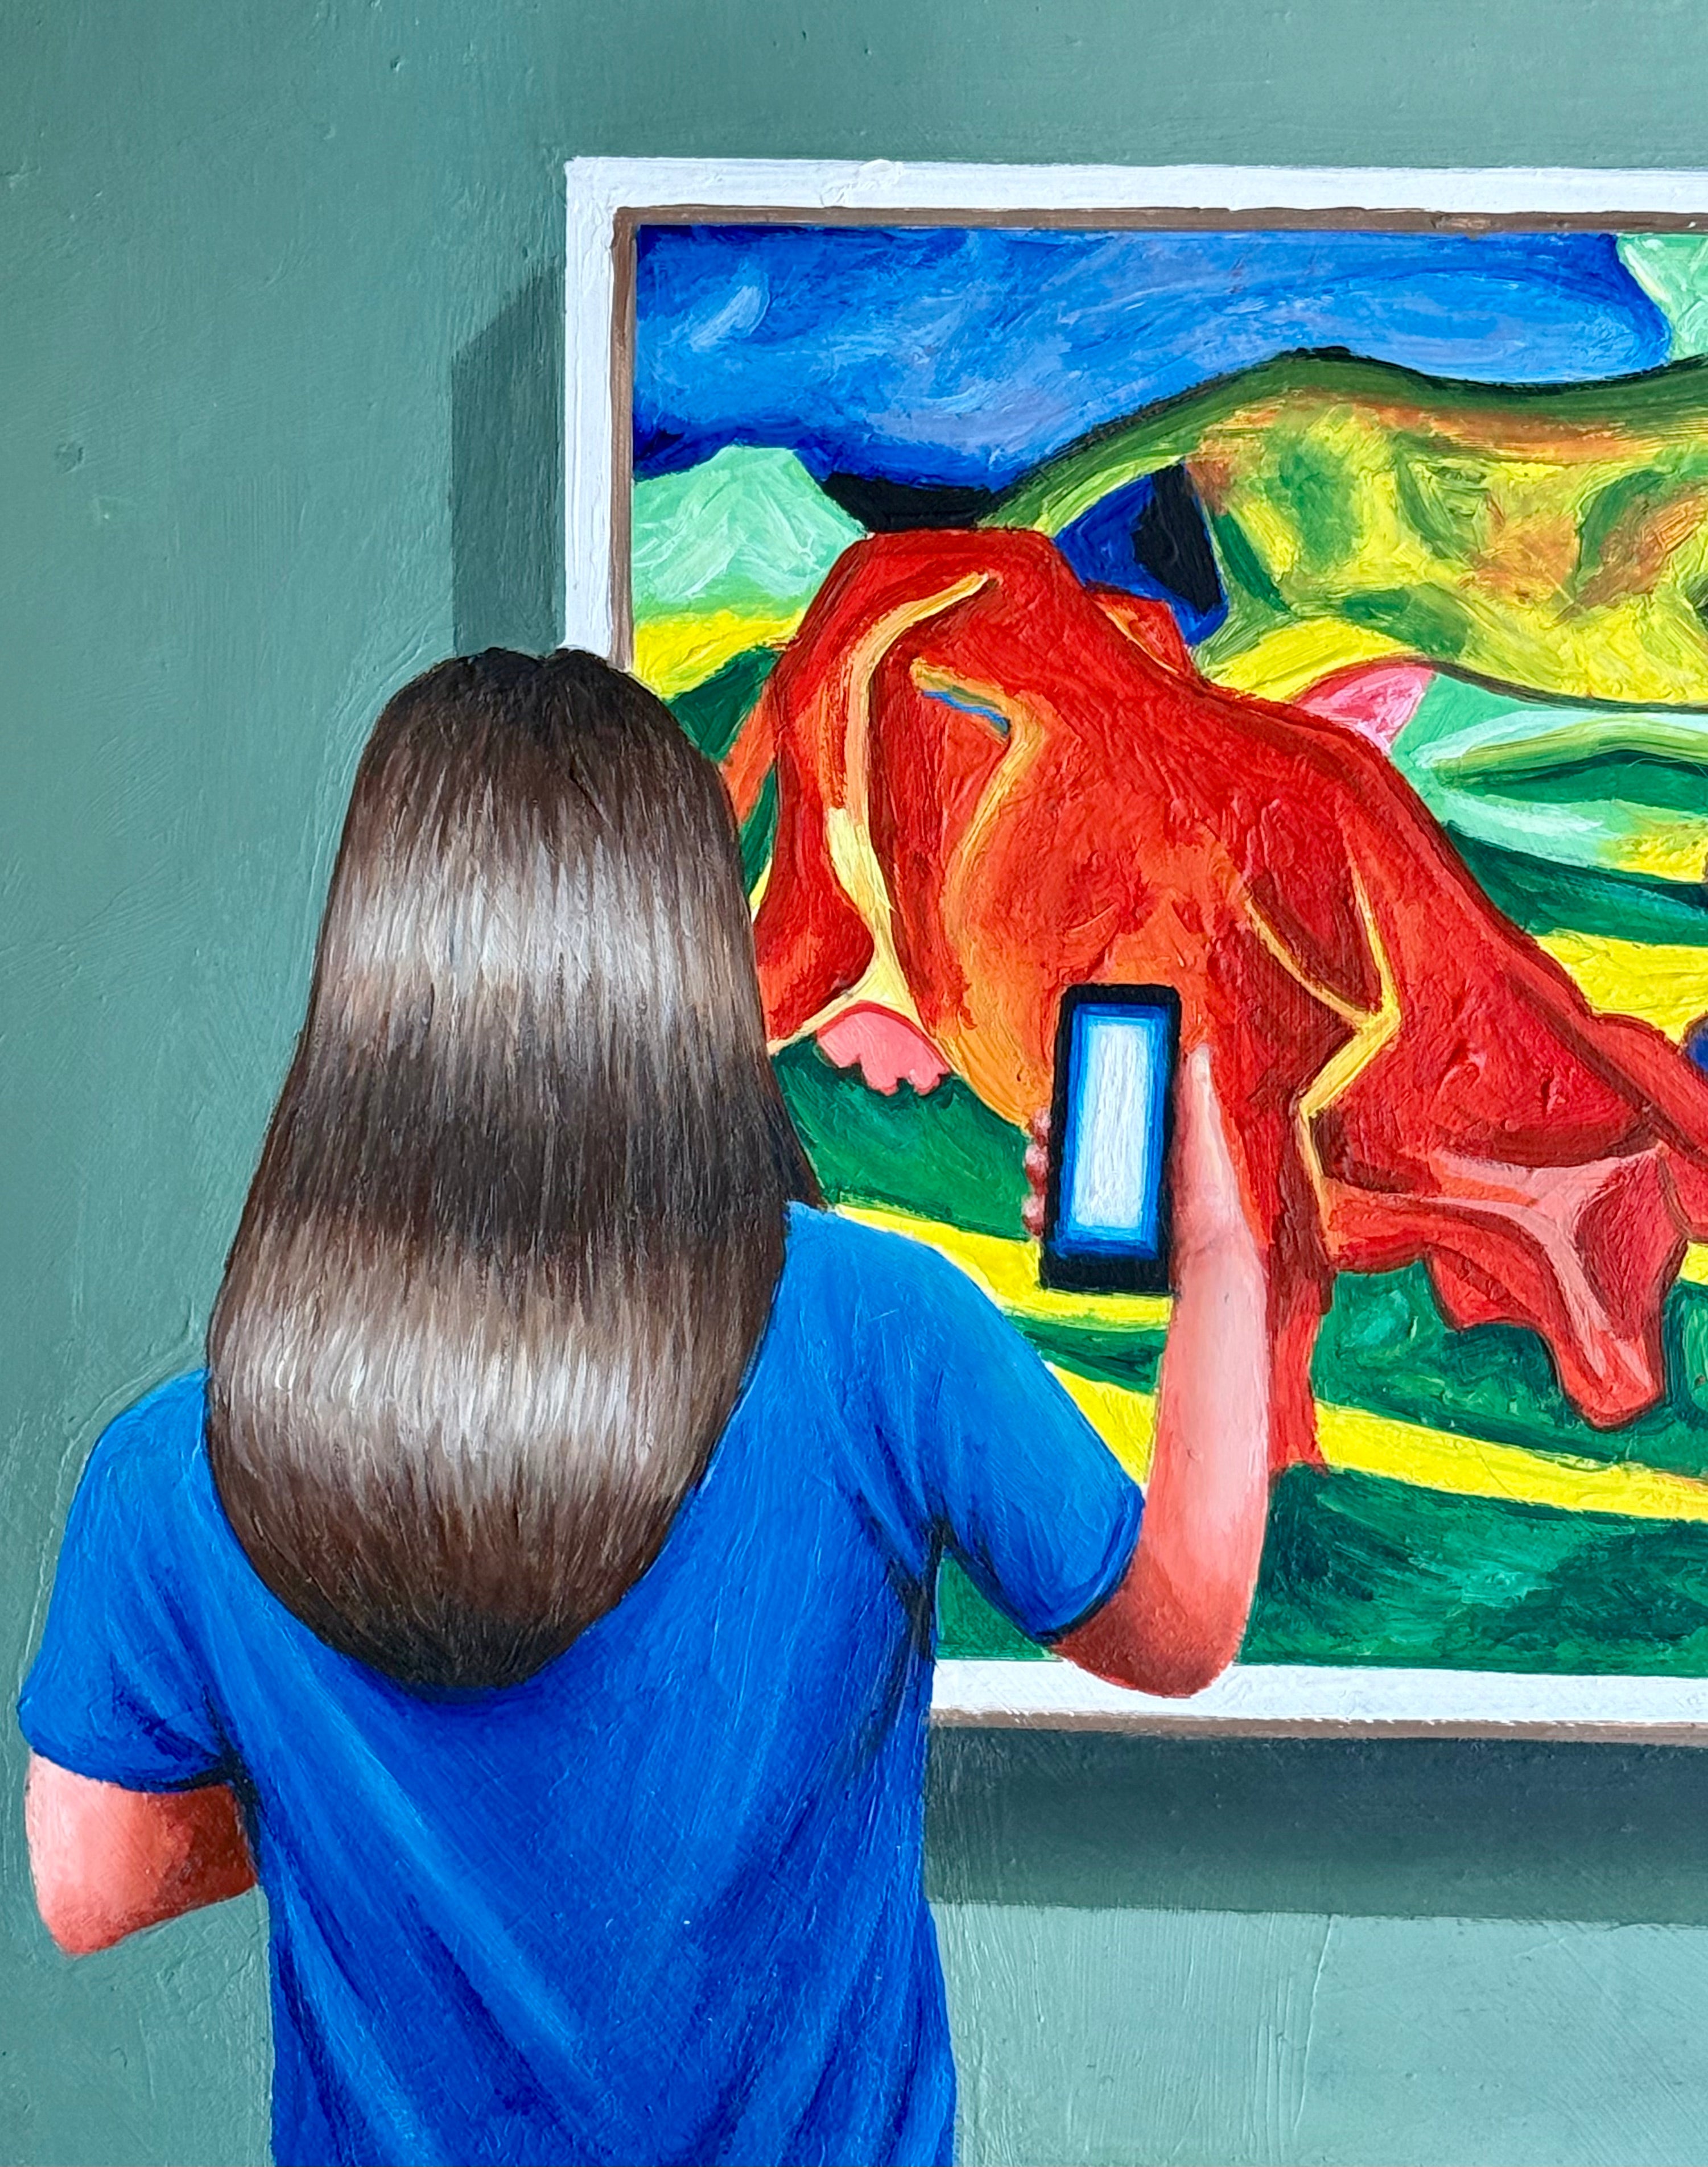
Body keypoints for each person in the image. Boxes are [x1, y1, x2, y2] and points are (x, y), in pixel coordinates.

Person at [19, 650, 1275, 2167]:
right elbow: (1182, 1616)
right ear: (691, 956)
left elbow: (90, 1878)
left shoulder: (185, 1463)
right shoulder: (883, 1333)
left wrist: (362, 1801)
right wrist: (1219, 1250)